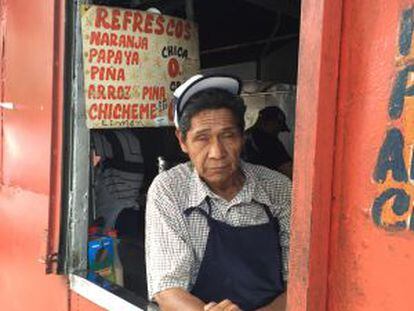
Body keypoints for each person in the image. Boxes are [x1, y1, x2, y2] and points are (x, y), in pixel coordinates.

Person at [145, 74, 292, 311]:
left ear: (243, 137)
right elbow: (168, 288)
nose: (217, 152)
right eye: (202, 138)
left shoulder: (278, 188)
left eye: (228, 136)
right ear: (183, 141)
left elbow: (297, 284)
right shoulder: (170, 189)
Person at [243, 106, 292, 178]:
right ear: (270, 122)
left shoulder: (245, 136)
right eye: (277, 128)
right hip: (267, 184)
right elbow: (287, 170)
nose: (277, 133)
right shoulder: (269, 141)